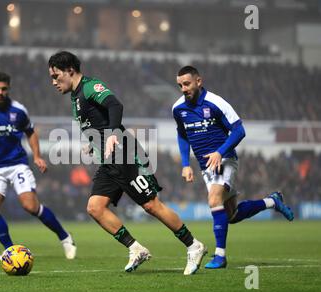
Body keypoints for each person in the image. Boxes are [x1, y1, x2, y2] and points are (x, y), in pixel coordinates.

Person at [48, 51, 207, 275]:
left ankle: (194, 245)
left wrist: (113, 134)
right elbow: (99, 123)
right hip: (108, 159)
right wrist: (93, 143)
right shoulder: (75, 97)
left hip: (124, 154)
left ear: (70, 71)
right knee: (95, 208)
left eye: (56, 76)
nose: (54, 82)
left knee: (151, 205)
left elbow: (115, 106)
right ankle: (136, 248)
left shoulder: (90, 87)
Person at [172, 66, 294, 269]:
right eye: (180, 85)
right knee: (232, 215)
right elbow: (182, 134)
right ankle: (272, 202)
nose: (183, 89)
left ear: (199, 81)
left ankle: (220, 256)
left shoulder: (216, 103)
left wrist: (220, 151)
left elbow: (239, 130)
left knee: (213, 200)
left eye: (187, 83)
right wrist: (186, 164)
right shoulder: (178, 108)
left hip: (225, 160)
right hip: (205, 166)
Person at [0, 71, 76, 261]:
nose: (0, 92)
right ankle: (10, 251)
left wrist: (37, 156)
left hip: (17, 164)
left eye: (4, 89)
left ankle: (65, 238)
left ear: (9, 89)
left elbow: (31, 132)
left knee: (30, 206)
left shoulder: (18, 110)